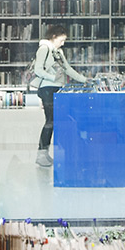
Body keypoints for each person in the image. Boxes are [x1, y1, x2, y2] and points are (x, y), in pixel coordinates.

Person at [32, 24, 86, 167]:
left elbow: (67, 69)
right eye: (61, 40)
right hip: (47, 89)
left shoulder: (58, 52)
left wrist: (84, 80)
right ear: (54, 37)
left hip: (56, 89)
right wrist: (53, 78)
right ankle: (41, 153)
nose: (63, 43)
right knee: (51, 121)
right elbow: (38, 70)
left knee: (55, 121)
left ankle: (45, 153)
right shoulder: (44, 49)